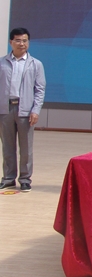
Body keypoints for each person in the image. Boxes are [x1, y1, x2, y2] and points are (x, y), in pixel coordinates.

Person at [0, 28, 46, 192]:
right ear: (11, 42)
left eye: (25, 40)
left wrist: (35, 110)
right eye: (18, 40)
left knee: (26, 148)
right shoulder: (2, 63)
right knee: (7, 146)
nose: (22, 44)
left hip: (25, 110)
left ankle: (25, 179)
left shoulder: (36, 64)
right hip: (5, 109)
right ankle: (8, 178)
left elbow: (40, 90)